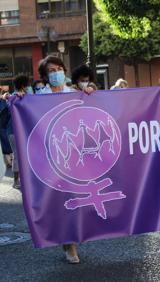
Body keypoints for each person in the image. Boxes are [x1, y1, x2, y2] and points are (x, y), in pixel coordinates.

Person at [16, 55, 92, 264]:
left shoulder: (77, 93)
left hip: (76, 157)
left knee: (75, 202)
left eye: (59, 68)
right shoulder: (39, 97)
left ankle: (70, 241)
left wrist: (91, 93)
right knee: (60, 202)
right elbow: (23, 110)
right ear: (44, 76)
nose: (56, 73)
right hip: (50, 159)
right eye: (51, 70)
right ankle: (69, 244)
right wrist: (16, 98)